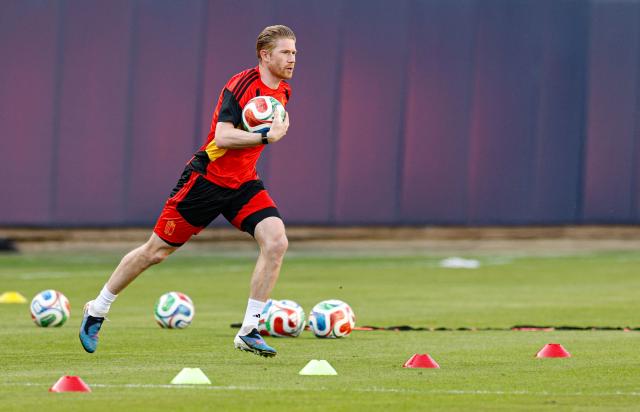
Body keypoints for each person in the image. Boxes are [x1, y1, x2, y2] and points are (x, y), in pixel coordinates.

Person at [79, 25, 297, 358]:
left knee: (276, 241)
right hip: (206, 181)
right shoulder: (240, 85)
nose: (292, 58)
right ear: (265, 55)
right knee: (155, 252)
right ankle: (97, 308)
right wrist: (266, 136)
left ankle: (250, 330)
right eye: (285, 52)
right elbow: (222, 137)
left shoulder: (283, 91)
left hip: (243, 183)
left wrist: (269, 134)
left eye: (294, 52)